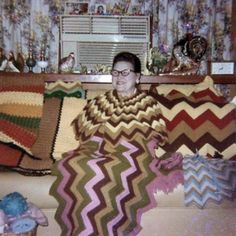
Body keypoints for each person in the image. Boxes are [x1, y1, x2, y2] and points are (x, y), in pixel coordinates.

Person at [50, 52, 168, 236]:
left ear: (137, 77)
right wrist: (100, 145)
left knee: (103, 169)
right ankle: (84, 229)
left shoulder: (147, 103)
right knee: (72, 164)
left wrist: (125, 147)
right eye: (115, 72)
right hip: (96, 151)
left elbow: (153, 138)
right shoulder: (100, 101)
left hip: (133, 154)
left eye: (125, 72)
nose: (119, 77)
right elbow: (85, 133)